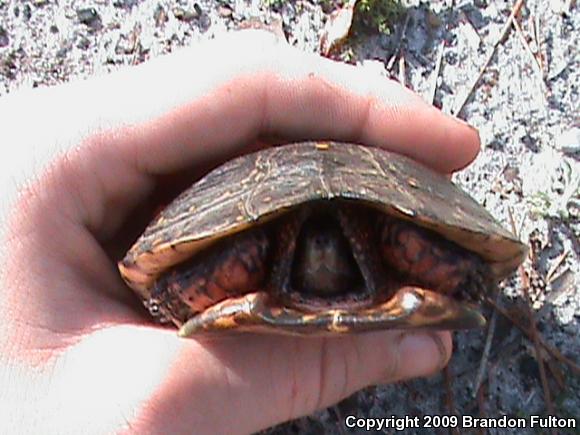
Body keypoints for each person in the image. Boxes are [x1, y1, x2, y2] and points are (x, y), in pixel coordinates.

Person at [0, 30, 480, 434]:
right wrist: (176, 293)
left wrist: (460, 275)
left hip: (384, 222)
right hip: (251, 231)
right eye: (311, 244)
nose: (320, 252)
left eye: (334, 244)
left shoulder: (388, 246)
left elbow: (442, 251)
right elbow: (181, 272)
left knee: (405, 239)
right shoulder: (260, 252)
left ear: (362, 252)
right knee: (246, 252)